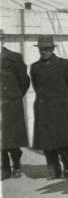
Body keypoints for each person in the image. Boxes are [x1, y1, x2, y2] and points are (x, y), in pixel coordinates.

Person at [30, 35, 68, 180]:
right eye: (41, 49)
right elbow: (36, 86)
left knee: (63, 141)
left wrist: (64, 100)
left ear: (52, 49)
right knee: (47, 142)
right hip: (43, 109)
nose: (44, 52)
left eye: (46, 49)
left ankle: (67, 168)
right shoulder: (35, 67)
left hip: (61, 109)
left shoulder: (64, 64)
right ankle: (53, 170)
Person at [1, 41, 30, 179]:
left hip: (11, 104)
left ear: (1, 40)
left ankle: (16, 164)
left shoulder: (14, 58)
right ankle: (5, 169)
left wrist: (16, 97)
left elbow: (24, 81)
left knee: (11, 137)